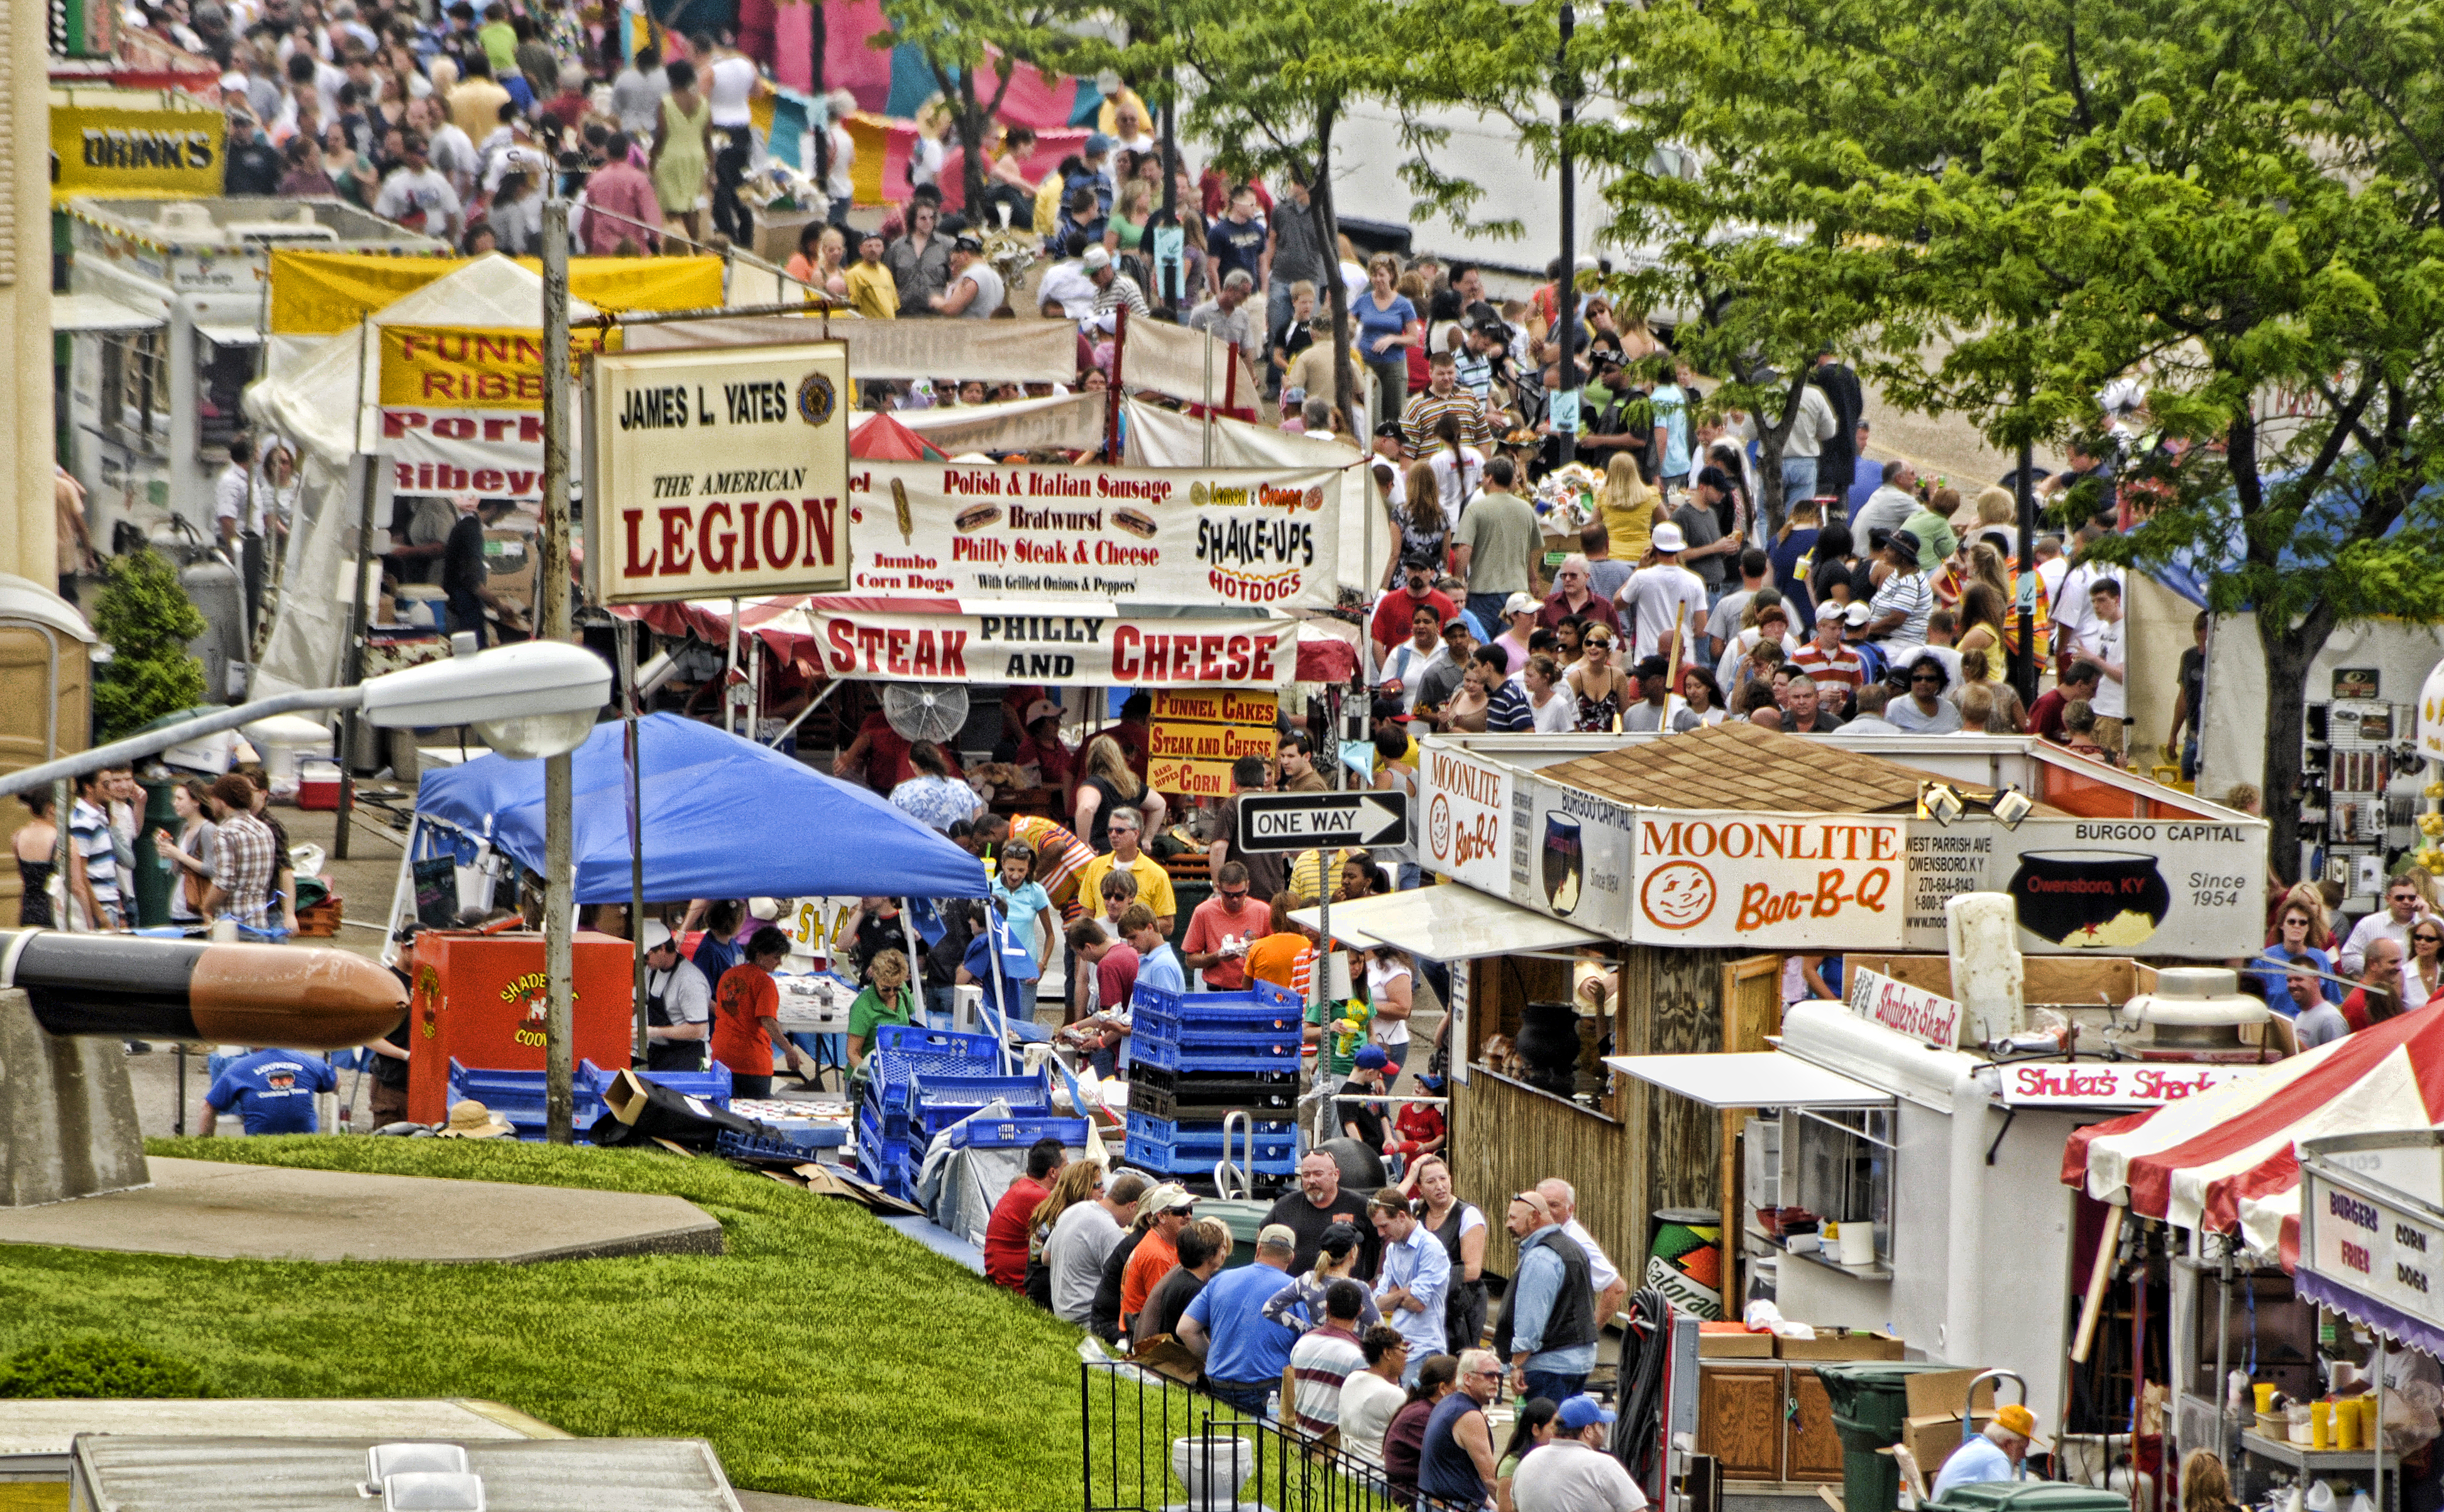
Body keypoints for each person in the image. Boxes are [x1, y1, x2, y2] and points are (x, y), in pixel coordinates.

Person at [1179, 1222, 1303, 1411]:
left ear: (1259, 1249)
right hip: (1269, 1393)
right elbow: (1305, 1350)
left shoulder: (1220, 1279)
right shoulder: (1297, 1291)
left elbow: (1185, 1329)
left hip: (1218, 1386)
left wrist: (1214, 1357)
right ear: (1291, 1258)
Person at [1495, 1188, 1600, 1403]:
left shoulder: (1541, 1257)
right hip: (1578, 1363)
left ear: (1534, 1218)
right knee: (1565, 1433)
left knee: (1543, 1434)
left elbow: (1531, 1320)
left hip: (1549, 1368)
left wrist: (1516, 1364)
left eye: (1513, 1218)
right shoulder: (1573, 1248)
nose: (1508, 1224)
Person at [709, 926, 813, 1097]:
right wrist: (789, 1049)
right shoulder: (765, 983)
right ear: (760, 954)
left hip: (722, 1057)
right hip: (752, 1061)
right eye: (776, 957)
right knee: (756, 1117)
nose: (779, 962)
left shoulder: (728, 975)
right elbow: (768, 1020)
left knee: (725, 1114)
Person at [1452, 456, 1545, 636]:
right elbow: (1529, 550)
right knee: (1512, 644)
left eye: (1483, 476)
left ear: (1489, 478)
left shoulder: (1475, 509)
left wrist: (1457, 581)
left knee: (1482, 646)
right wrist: (1533, 581)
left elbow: (1464, 548)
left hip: (1483, 591)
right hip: (1518, 591)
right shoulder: (1526, 509)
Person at [1047, 1166, 1147, 1325]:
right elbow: (1121, 1286)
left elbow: (1046, 1258)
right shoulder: (1112, 1233)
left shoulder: (1075, 1209)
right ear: (1133, 1206)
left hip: (1060, 1312)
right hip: (1088, 1320)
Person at [1512, 1394, 1645, 1512]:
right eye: (1601, 1425)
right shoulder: (1603, 1465)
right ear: (1588, 1431)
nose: (1604, 1432)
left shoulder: (1527, 1461)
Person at [1370, 1186, 1452, 1374]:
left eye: (1384, 1226)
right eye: (1377, 1228)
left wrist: (1394, 1294)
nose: (1380, 1233)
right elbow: (1378, 1303)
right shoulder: (1393, 1249)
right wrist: (1404, 1293)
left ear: (1401, 1216)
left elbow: (1417, 1304)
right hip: (1397, 1348)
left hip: (1424, 1350)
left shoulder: (1430, 1248)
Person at [1284, 1281, 1372, 1444]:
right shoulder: (1360, 1357)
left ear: (1327, 1308)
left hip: (1302, 1441)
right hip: (1334, 1448)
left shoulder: (1302, 1343)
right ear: (1360, 1310)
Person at [1268, 1150, 1379, 1278]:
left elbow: (1384, 1241)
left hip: (1345, 1292)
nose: (1311, 1180)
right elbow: (1263, 1236)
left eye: (1318, 1174)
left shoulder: (1359, 1205)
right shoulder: (1286, 1205)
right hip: (1297, 1291)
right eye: (1306, 1175)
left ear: (1336, 1175)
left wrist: (1377, 1277)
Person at [1262, 1222, 1386, 1335]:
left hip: (1316, 1350)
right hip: (1350, 1353)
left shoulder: (1308, 1280)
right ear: (1353, 1252)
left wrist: (1307, 1330)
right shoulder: (1359, 1288)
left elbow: (1269, 1309)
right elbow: (1380, 1329)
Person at [1419, 1349, 1504, 1510]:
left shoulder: (1448, 1402)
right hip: (1452, 1506)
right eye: (1489, 1375)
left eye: (1498, 1376)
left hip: (1432, 1502)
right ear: (1467, 1378)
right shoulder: (1469, 1415)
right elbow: (1490, 1479)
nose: (1495, 1381)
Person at [1617, 522, 1710, 665]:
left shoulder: (1642, 577)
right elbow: (1702, 630)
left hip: (1649, 658)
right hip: (1683, 660)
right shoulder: (1695, 581)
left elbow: (1618, 603)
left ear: (1653, 547)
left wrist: (1639, 568)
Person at [1537, 1178, 1627, 1323]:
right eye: (1542, 1204)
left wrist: (1590, 1333)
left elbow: (1616, 1287)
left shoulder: (1577, 1241)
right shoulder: (1541, 1233)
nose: (1547, 1211)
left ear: (1570, 1209)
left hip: (1564, 1340)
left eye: (1554, 1205)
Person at [984, 1137, 1065, 1293]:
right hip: (1014, 1284)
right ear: (1053, 1172)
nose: (1069, 1170)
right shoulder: (1040, 1197)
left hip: (1002, 1273)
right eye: (1066, 1166)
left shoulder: (1024, 1186)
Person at [1137, 1219, 1232, 1349]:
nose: (1224, 1254)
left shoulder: (1180, 1278)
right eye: (1222, 1248)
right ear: (1210, 1255)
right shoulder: (1196, 1290)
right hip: (1181, 1363)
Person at [1118, 1183, 1199, 1337]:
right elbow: (1164, 1309)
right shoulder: (1157, 1255)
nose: (1188, 1216)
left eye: (1190, 1210)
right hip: (1146, 1338)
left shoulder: (1166, 1243)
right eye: (1180, 1211)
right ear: (1161, 1217)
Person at [199, 1047, 339, 1136]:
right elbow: (336, 1083)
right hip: (306, 1145)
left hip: (260, 1148)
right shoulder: (308, 1061)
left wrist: (204, 1145)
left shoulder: (239, 1068)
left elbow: (208, 1107)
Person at [200, 773, 277, 931]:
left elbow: (224, 883)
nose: (211, 803)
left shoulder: (225, 832)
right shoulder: (264, 829)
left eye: (213, 798)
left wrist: (206, 907)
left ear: (222, 801)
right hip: (259, 924)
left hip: (234, 927)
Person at [1026, 1159, 1105, 1308]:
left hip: (1036, 1290)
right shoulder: (1071, 1218)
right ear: (1080, 1188)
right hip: (1050, 1298)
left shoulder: (1050, 1209)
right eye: (1097, 1185)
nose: (1104, 1190)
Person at [1384, 1354, 1461, 1504]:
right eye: (1459, 1383)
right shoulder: (1421, 1416)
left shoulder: (1431, 1410)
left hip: (1428, 1492)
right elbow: (1456, 1461)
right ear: (1443, 1388)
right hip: (1412, 1497)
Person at [651, 57, 711, 242]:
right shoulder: (703, 103)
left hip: (672, 157)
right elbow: (707, 138)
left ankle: (676, 247)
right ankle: (694, 245)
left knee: (671, 210)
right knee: (691, 207)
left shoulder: (666, 103)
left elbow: (661, 136)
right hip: (696, 158)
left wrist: (652, 159)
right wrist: (713, 168)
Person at [1928, 1403, 2041, 1501]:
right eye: (2022, 1448)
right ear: (2008, 1443)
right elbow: (2003, 1502)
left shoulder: (1979, 1446)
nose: (2023, 1456)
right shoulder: (1997, 1458)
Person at [639, 921, 712, 1071]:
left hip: (690, 1057)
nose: (644, 961)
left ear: (663, 949)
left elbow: (698, 1029)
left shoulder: (689, 979)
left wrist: (654, 1032)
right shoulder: (651, 970)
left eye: (646, 956)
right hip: (659, 1054)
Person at [1181, 861, 1260, 990]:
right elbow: (1190, 961)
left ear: (1248, 886)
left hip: (1252, 991)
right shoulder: (1204, 912)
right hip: (1217, 991)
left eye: (1240, 894)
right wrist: (1217, 956)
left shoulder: (1262, 910)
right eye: (1228, 895)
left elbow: (1275, 951)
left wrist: (1258, 949)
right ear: (1218, 888)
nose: (1234, 899)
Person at [151, 777, 217, 928]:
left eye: (180, 799)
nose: (175, 803)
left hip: (197, 909)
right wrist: (167, 850)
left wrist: (178, 854)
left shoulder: (208, 829)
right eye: (175, 799)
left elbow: (211, 869)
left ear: (196, 802)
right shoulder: (185, 828)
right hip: (179, 907)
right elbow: (177, 871)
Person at [845, 948, 918, 1075]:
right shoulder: (862, 1007)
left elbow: (910, 1020)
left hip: (896, 1071)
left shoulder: (903, 991)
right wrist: (875, 1077)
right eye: (885, 989)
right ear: (876, 978)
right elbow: (853, 1054)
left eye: (896, 988)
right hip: (866, 1077)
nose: (891, 993)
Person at [2340, 876, 2433, 975]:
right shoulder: (2368, 924)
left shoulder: (2430, 921)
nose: (2406, 902)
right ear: (2388, 899)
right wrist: (2380, 968)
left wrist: (2426, 920)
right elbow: (2348, 958)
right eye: (2400, 898)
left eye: (2412, 898)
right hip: (2380, 988)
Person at [890, 741, 981, 832]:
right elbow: (978, 816)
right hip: (956, 845)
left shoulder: (902, 791)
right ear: (940, 756)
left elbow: (891, 822)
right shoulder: (961, 787)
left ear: (912, 764)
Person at [1497, 1398, 1563, 1512]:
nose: (1558, 1434)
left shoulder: (1556, 1459)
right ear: (1536, 1429)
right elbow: (1505, 1509)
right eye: (1553, 1428)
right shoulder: (1512, 1465)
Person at [1621, 655, 1701, 734]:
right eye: (1638, 679)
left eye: (1644, 678)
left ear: (1660, 680)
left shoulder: (1683, 715)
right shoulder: (1631, 715)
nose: (1639, 683)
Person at [2341, 938, 2407, 1033]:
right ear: (2373, 964)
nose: (2399, 967)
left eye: (2400, 961)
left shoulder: (2390, 991)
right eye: (2393, 962)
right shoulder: (2356, 1004)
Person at [1889, 655, 1966, 733]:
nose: (1923, 683)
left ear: (1939, 683)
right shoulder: (1897, 706)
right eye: (1917, 678)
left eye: (1930, 679)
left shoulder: (1949, 708)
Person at [14, 792, 57, 927]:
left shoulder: (18, 836)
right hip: (53, 908)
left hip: (28, 907)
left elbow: (23, 874)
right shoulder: (58, 839)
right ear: (52, 808)